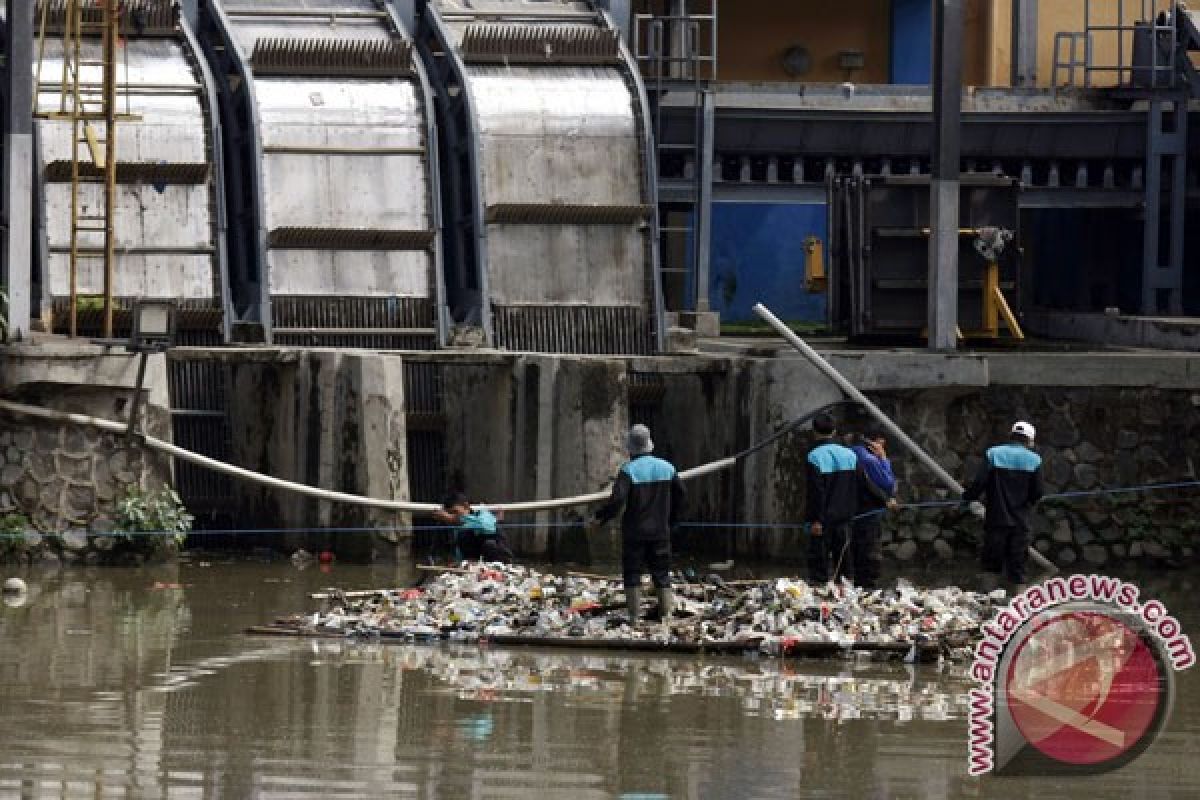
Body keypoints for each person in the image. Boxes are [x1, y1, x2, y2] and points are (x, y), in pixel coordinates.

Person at [593, 424, 685, 622]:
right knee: (661, 573)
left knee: (632, 572)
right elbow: (681, 495)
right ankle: (666, 615)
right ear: (650, 444)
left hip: (635, 533)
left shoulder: (628, 471)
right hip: (660, 532)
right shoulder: (667, 468)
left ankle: (635, 617)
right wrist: (673, 521)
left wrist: (601, 517)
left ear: (630, 448)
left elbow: (617, 501)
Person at [961, 421, 1044, 586]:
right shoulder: (1035, 460)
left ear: (1011, 436)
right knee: (1018, 565)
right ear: (1030, 441)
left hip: (996, 518)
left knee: (992, 563)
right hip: (1021, 521)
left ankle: (989, 599)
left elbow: (979, 483)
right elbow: (1038, 493)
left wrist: (967, 498)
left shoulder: (993, 454)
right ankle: (1016, 600)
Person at [805, 413, 861, 584]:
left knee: (819, 562)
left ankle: (820, 591)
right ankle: (846, 592)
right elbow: (857, 485)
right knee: (844, 559)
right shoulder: (850, 455)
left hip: (824, 520)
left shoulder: (814, 456)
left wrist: (815, 520)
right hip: (845, 516)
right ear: (834, 431)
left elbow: (816, 492)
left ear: (814, 432)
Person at [850, 429, 899, 589]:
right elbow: (888, 485)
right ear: (873, 443)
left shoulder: (851, 453)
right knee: (869, 553)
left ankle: (856, 584)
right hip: (868, 511)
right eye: (880, 444)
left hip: (850, 511)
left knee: (854, 551)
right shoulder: (869, 460)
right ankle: (867, 586)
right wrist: (884, 459)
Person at [433, 491, 514, 563]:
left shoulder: (481, 512)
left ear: (466, 506)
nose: (452, 516)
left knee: (489, 544)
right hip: (477, 562)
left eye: (455, 512)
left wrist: (451, 518)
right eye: (450, 513)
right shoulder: (459, 528)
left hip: (498, 558)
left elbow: (487, 527)